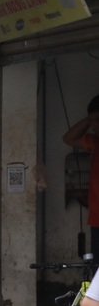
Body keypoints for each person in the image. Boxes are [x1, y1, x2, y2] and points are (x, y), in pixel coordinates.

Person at [62, 94, 99, 255]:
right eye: (91, 122)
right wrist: (90, 119)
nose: (93, 126)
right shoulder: (95, 142)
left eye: (97, 121)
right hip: (97, 217)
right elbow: (69, 138)